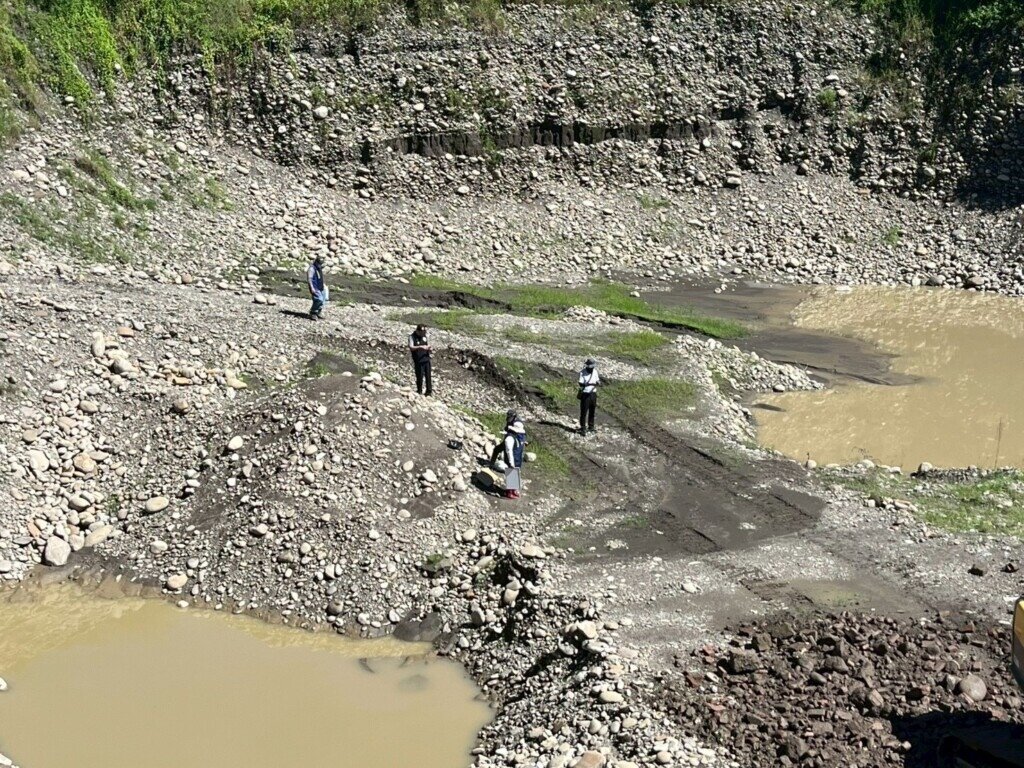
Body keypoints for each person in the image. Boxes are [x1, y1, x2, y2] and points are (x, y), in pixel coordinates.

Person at [501, 418, 527, 500]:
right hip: (512, 458)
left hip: (517, 457)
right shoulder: (510, 438)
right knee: (511, 473)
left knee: (515, 473)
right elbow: (509, 451)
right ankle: (509, 492)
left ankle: (513, 490)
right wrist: (511, 462)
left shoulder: (517, 436)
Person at [408, 324, 432, 395]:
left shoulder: (424, 336)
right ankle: (419, 390)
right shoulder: (412, 337)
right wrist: (420, 347)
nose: (423, 333)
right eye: (421, 331)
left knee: (428, 376)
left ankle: (429, 391)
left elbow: (427, 344)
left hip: (426, 358)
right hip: (418, 359)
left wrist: (429, 348)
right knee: (419, 375)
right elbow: (411, 347)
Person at [578, 357, 600, 435]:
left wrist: (598, 382)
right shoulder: (582, 372)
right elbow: (580, 383)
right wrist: (587, 384)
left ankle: (591, 427)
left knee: (592, 411)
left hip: (593, 393)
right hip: (585, 394)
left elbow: (597, 380)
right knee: (583, 412)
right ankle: (583, 428)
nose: (592, 368)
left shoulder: (595, 371)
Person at [307, 255, 328, 320]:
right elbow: (309, 279)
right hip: (315, 287)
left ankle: (318, 312)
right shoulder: (312, 268)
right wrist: (312, 288)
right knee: (319, 299)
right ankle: (313, 312)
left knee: (324, 300)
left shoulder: (319, 268)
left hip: (321, 286)